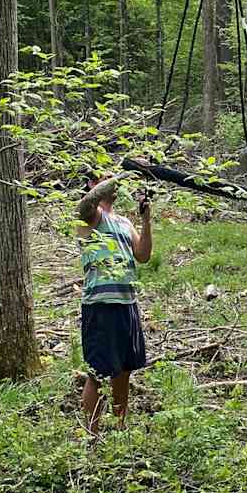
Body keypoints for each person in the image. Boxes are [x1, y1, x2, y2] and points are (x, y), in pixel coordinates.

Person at [76, 175, 153, 433]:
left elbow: (142, 255)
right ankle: (92, 435)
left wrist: (146, 219)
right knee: (97, 372)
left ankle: (120, 428)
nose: (113, 184)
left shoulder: (123, 222)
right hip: (100, 305)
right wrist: (116, 177)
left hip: (126, 303)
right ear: (93, 185)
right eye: (104, 179)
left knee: (124, 370)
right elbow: (85, 206)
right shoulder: (90, 217)